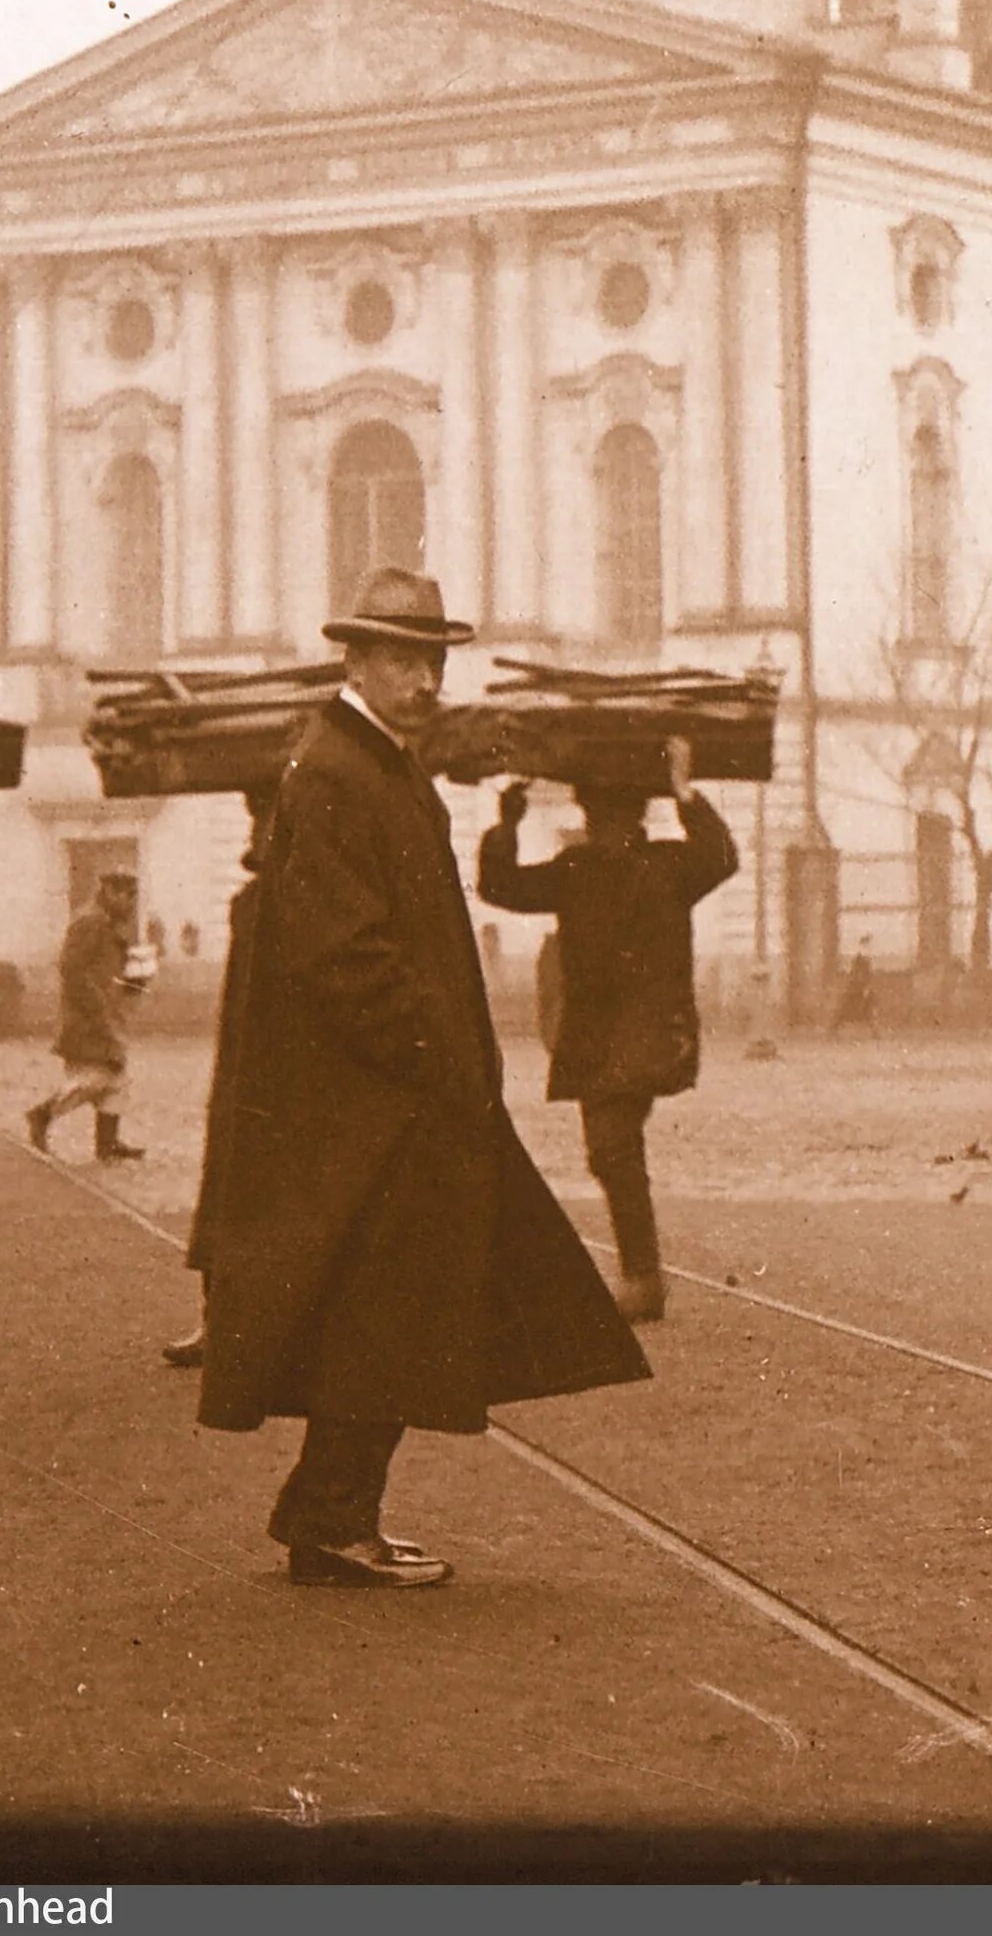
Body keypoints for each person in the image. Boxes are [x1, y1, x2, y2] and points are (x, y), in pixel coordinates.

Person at [198, 567, 649, 1589]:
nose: (423, 676)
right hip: (376, 1102)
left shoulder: (379, 765)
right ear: (354, 660)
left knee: (390, 1315)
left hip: (399, 1098)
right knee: (383, 1314)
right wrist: (436, 1054)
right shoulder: (332, 772)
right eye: (402, 656)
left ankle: (329, 1511)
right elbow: (341, 954)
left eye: (432, 658)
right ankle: (328, 1515)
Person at [478, 738, 740, 1324]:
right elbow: (500, 888)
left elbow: (723, 857)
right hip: (608, 1040)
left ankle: (644, 1281)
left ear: (628, 818)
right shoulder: (602, 868)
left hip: (639, 1038)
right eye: (598, 817)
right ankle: (642, 1276)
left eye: (608, 816)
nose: (603, 826)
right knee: (609, 1152)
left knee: (612, 1147)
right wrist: (508, 821)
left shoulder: (653, 866)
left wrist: (684, 793)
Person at [165, 785, 275, 1370]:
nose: (256, 838)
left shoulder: (283, 904)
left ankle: (242, 1327)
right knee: (231, 1195)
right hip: (246, 1071)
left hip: (275, 1073)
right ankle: (221, 1323)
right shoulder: (253, 904)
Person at [27, 868, 149, 1162]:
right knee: (95, 1078)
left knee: (116, 1079)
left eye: (133, 896)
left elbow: (118, 971)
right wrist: (97, 1008)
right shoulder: (89, 922)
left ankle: (107, 1144)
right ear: (109, 892)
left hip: (104, 1013)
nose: (131, 903)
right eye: (127, 896)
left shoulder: (108, 923)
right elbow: (72, 970)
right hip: (88, 1017)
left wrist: (137, 978)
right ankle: (42, 1114)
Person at [830, 940, 881, 1035]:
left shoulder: (866, 960)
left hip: (863, 988)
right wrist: (864, 987)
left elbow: (868, 975)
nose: (868, 949)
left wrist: (867, 986)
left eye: (868, 946)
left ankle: (875, 1031)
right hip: (857, 988)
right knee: (846, 1008)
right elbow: (857, 975)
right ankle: (833, 1027)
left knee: (869, 1009)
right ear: (861, 947)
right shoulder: (859, 960)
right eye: (865, 946)